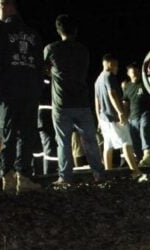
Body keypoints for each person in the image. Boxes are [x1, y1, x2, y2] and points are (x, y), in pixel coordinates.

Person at [0, 0, 43, 193]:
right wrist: (38, 90)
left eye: (0, 6)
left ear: (8, 7)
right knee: (26, 134)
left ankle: (8, 177)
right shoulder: (33, 34)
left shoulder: (0, 30)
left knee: (8, 132)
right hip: (29, 91)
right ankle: (23, 177)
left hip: (8, 90)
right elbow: (39, 66)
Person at [43, 14, 105, 184]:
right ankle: (98, 173)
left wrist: (53, 72)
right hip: (82, 102)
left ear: (58, 30)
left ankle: (65, 177)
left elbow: (43, 69)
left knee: (63, 142)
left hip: (61, 103)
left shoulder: (51, 49)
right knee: (90, 140)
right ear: (75, 31)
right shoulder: (83, 50)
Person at [94, 53, 141, 176]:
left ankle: (108, 173)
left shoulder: (98, 80)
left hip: (104, 119)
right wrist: (120, 112)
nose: (117, 68)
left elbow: (97, 101)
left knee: (107, 146)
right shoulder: (109, 76)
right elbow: (112, 94)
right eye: (116, 65)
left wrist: (99, 119)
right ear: (110, 64)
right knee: (126, 142)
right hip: (114, 117)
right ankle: (136, 172)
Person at [122, 62, 150, 168]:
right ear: (128, 73)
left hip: (145, 112)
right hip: (133, 116)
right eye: (132, 71)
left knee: (144, 128)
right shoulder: (127, 86)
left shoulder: (145, 83)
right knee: (134, 138)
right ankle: (141, 160)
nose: (134, 72)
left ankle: (147, 155)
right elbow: (125, 103)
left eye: (136, 70)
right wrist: (124, 116)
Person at [35, 76, 59, 175]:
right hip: (47, 118)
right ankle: (50, 174)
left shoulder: (34, 78)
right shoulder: (47, 81)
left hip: (38, 118)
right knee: (50, 148)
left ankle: (38, 173)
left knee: (38, 150)